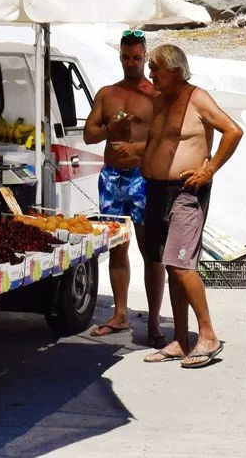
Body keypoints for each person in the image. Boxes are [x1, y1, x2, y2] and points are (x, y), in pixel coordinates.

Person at [140, 42, 241, 369]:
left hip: (186, 191)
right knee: (170, 265)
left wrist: (208, 169)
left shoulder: (196, 97)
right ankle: (180, 341)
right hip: (156, 191)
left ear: (174, 69)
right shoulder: (158, 101)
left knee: (182, 264)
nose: (150, 73)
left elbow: (233, 131)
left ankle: (208, 334)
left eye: (155, 67)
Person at [81, 30, 165, 344]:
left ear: (145, 58)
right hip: (111, 178)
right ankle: (120, 314)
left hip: (144, 178)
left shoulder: (156, 96)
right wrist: (111, 128)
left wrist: (138, 150)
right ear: (120, 57)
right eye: (126, 57)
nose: (132, 63)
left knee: (150, 249)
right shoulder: (107, 94)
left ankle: (154, 321)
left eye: (137, 57)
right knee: (118, 247)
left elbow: (167, 140)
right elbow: (90, 135)